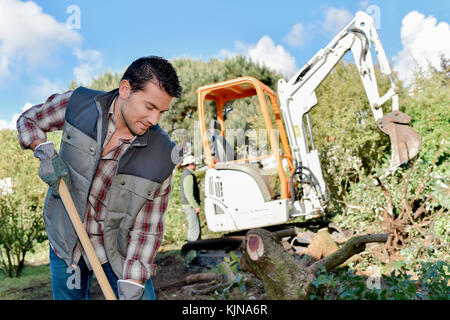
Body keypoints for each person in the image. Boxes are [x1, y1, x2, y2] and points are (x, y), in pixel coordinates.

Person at [16, 56, 183, 300]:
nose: (154, 120)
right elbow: (28, 120)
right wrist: (42, 151)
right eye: (149, 107)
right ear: (125, 89)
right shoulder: (79, 105)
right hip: (67, 238)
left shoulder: (163, 156)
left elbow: (148, 230)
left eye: (162, 111)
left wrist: (134, 281)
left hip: (116, 248)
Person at [180, 155, 201, 242]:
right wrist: (196, 206)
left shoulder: (186, 174)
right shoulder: (188, 176)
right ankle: (191, 253)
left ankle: (197, 250)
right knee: (194, 229)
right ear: (190, 164)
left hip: (189, 205)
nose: (195, 165)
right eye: (194, 164)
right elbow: (189, 194)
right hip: (190, 206)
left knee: (195, 228)